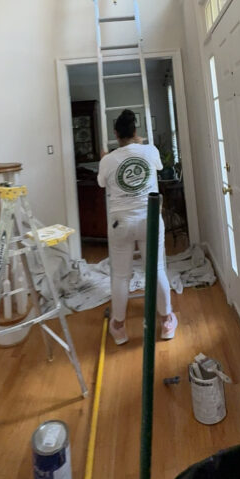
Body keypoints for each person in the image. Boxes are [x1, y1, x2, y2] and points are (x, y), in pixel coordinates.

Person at [97, 110, 177, 345]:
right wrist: (139, 145)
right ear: (135, 131)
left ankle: (119, 327)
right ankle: (166, 322)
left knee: (121, 276)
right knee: (157, 270)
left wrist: (106, 158)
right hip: (148, 219)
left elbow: (102, 183)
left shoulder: (108, 160)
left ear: (116, 134)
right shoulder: (150, 151)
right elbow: (158, 167)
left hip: (120, 222)